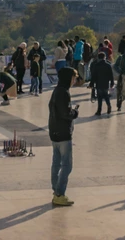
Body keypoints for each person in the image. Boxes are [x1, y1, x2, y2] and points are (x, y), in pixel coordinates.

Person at [48, 66, 79, 207]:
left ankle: (56, 191)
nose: (74, 81)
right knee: (67, 165)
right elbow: (65, 113)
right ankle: (59, 194)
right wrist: (74, 113)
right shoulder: (64, 93)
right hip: (63, 133)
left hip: (54, 131)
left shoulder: (56, 91)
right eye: (74, 78)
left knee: (56, 163)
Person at [90, 51, 115, 116]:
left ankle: (99, 111)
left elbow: (93, 76)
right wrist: (112, 83)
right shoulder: (108, 65)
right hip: (106, 83)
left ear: (98, 58)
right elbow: (111, 75)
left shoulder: (96, 65)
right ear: (105, 57)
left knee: (99, 97)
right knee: (106, 96)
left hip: (98, 84)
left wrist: (91, 84)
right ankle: (109, 105)